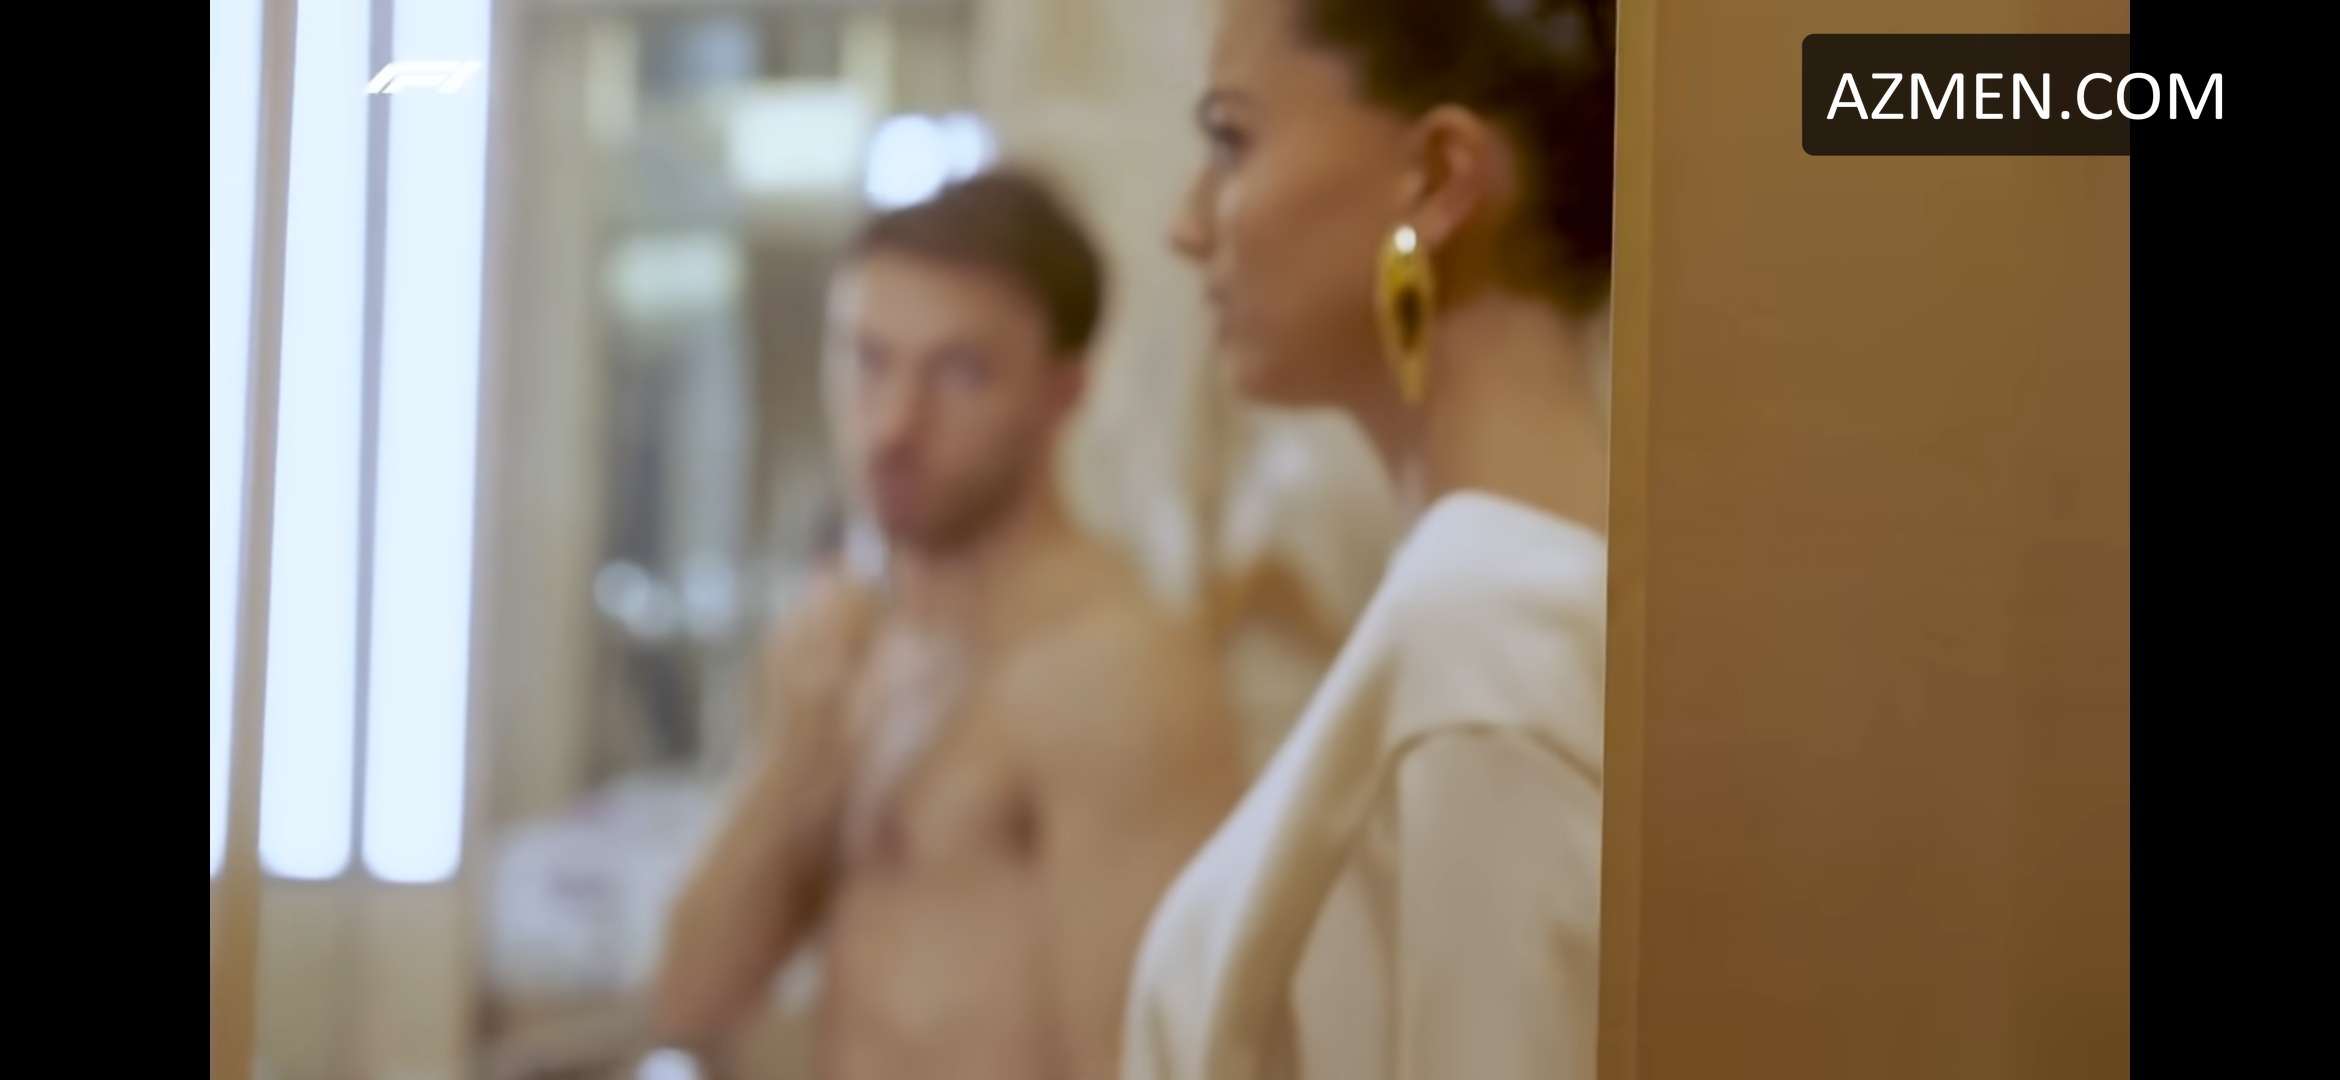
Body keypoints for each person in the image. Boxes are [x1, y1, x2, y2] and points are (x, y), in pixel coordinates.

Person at [655, 171, 1248, 1080]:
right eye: (868, 359)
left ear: (1064, 393)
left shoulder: (1115, 675)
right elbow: (691, 996)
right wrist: (794, 753)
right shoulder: (848, 653)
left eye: (960, 374)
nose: (895, 423)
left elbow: (1142, 1065)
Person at [1121, 1, 1616, 1079]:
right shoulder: (1504, 611)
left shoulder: (1488, 642)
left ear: (1437, 179)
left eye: (1231, 140)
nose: (1186, 225)